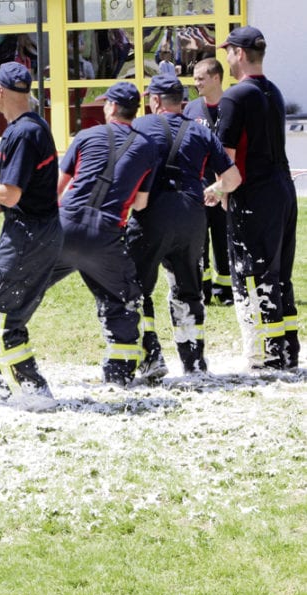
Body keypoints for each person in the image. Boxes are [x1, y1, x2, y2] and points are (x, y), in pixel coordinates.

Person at [127, 73, 240, 378]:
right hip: (192, 215)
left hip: (152, 213)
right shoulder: (201, 131)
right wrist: (214, 191)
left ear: (154, 101)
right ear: (182, 103)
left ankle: (150, 356)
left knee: (136, 288)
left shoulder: (140, 126)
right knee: (188, 290)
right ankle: (195, 363)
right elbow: (233, 179)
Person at [46, 82, 159, 386]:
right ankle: (119, 374)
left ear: (110, 107)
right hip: (106, 234)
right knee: (124, 298)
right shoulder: (147, 147)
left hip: (65, 224)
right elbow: (140, 202)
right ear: (136, 111)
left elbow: (57, 188)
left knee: (31, 282)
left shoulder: (84, 136)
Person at [0, 62, 63, 403]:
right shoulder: (34, 126)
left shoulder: (21, 132)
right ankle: (32, 390)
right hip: (41, 232)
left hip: (28, 236)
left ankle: (20, 393)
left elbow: (10, 193)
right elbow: (20, 191)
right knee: (10, 318)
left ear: (0, 91)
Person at [216, 27, 299, 370]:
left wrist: (221, 193)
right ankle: (287, 350)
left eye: (228, 51)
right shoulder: (273, 92)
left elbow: (226, 154)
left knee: (251, 274)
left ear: (238, 52)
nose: (226, 57)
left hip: (254, 195)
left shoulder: (236, 97)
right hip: (282, 191)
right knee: (279, 274)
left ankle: (264, 353)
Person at [184, 57, 232, 305]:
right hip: (198, 188)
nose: (196, 83)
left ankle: (226, 290)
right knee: (198, 241)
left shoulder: (232, 106)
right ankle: (202, 290)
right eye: (195, 79)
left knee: (224, 240)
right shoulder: (191, 110)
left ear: (216, 78)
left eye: (201, 78)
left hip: (225, 187)